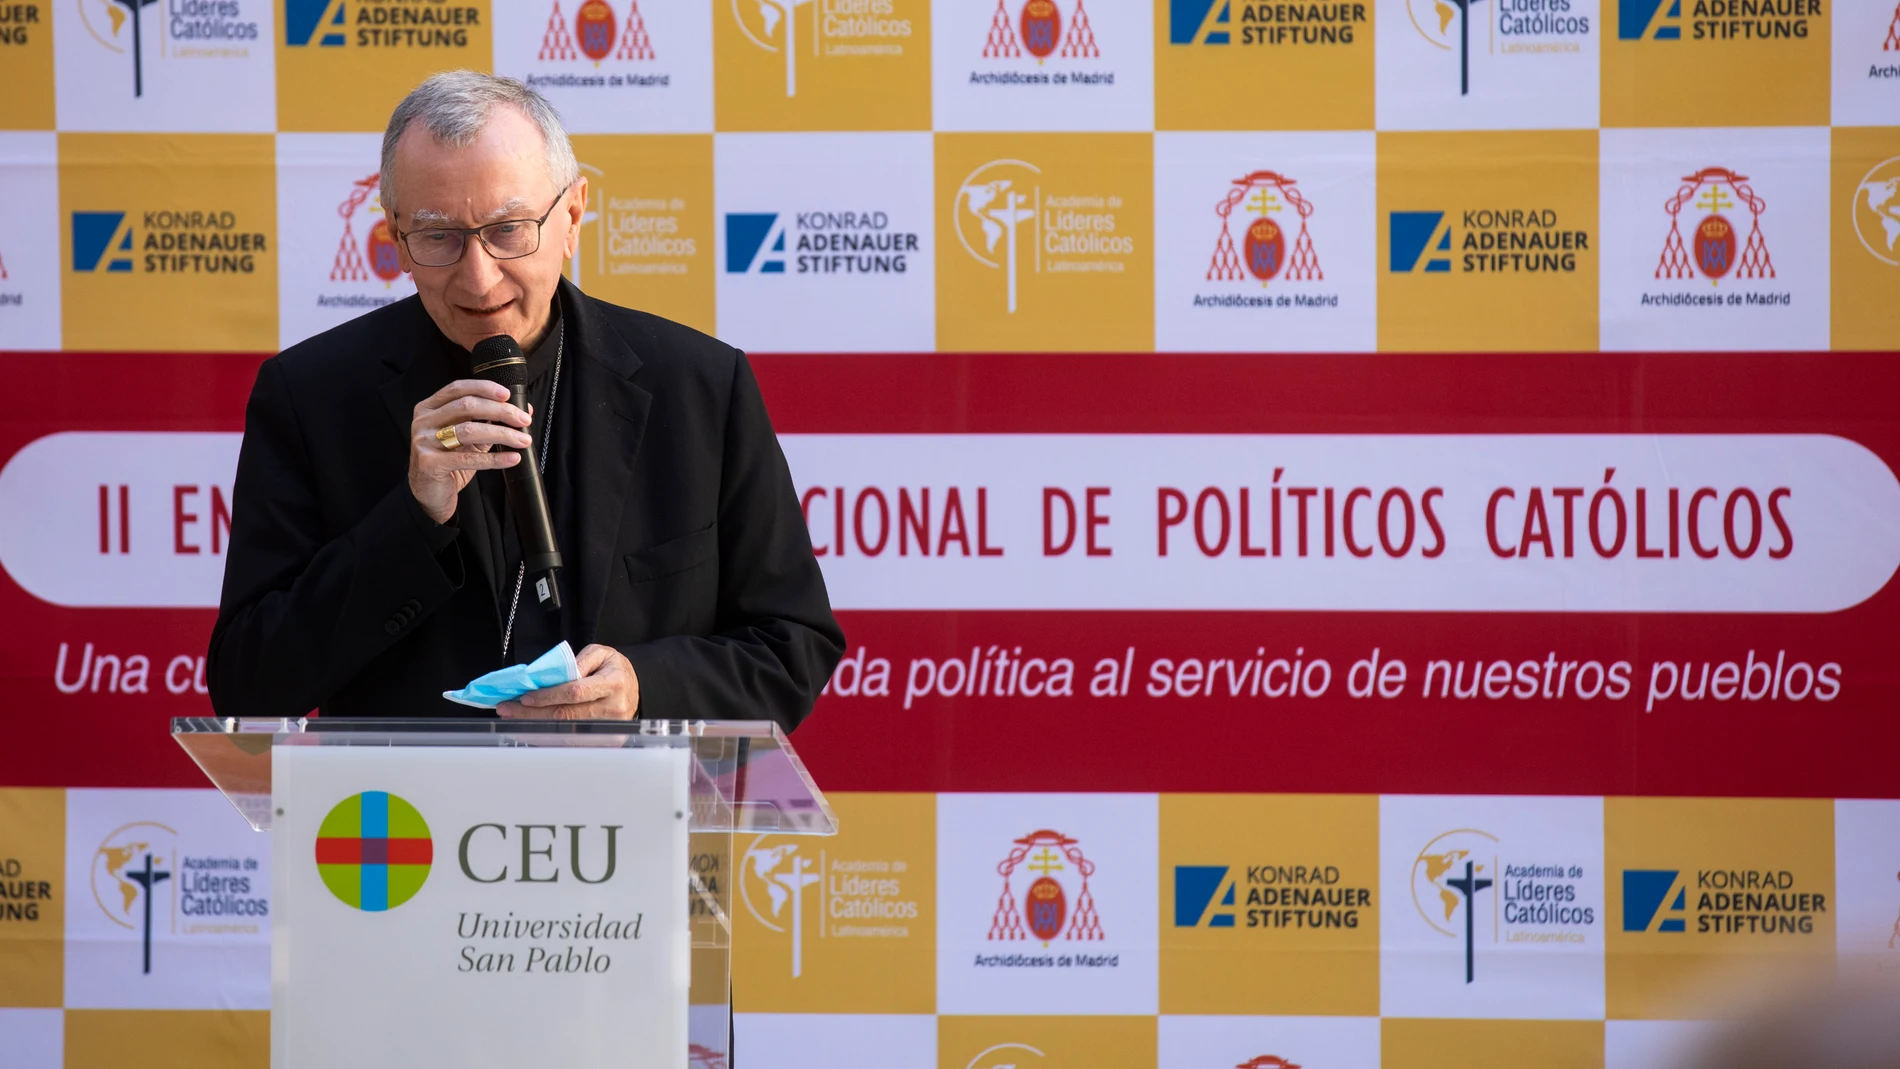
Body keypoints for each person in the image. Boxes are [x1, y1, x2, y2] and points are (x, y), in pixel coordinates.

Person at [208, 71, 842, 726]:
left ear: (571, 216)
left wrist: (642, 686)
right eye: (438, 236)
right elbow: (247, 685)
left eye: (508, 229)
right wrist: (414, 521)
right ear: (396, 237)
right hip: (411, 819)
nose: (478, 279)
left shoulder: (701, 386)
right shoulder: (312, 396)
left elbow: (793, 645)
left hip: (628, 814)